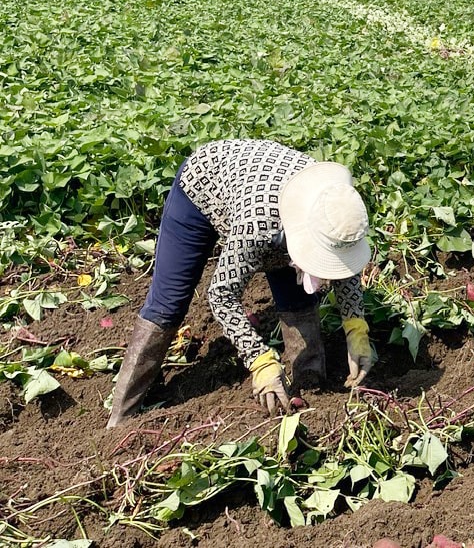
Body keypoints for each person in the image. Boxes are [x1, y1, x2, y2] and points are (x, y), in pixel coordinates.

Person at [107, 139, 376, 426]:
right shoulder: (257, 227)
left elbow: (344, 265)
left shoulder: (338, 210)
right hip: (204, 188)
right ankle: (122, 414)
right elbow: (222, 295)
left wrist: (356, 329)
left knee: (297, 297)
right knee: (169, 301)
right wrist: (259, 360)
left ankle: (310, 386)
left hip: (266, 196)